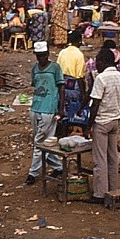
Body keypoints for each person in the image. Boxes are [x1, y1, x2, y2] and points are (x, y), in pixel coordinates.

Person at [88, 47, 120, 204]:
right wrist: (118, 114)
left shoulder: (101, 78)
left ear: (103, 62)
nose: (96, 65)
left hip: (101, 122)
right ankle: (113, 188)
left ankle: (100, 193)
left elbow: (95, 104)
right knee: (112, 157)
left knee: (100, 160)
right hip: (114, 120)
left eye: (98, 62)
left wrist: (88, 126)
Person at [25, 41, 65, 185]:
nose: (41, 58)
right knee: (45, 139)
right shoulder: (35, 68)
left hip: (49, 108)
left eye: (43, 55)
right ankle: (58, 166)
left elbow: (61, 88)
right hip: (36, 107)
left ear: (47, 54)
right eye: (38, 56)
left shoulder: (55, 68)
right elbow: (35, 86)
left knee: (39, 141)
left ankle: (33, 172)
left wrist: (61, 109)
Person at [56, 30, 88, 131]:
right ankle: (72, 127)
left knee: (62, 105)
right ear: (79, 41)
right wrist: (83, 94)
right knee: (74, 107)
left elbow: (57, 69)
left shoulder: (62, 52)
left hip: (62, 82)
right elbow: (79, 76)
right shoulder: (79, 54)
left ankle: (62, 128)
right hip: (74, 84)